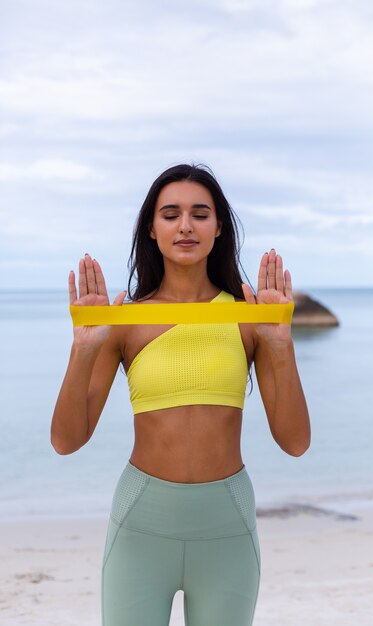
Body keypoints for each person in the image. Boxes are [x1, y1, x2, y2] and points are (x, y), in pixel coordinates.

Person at [51, 163, 311, 626]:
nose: (186, 225)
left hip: (226, 524)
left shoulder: (250, 317)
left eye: (200, 213)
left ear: (219, 229)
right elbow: (66, 441)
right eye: (170, 214)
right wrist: (82, 350)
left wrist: (281, 345)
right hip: (141, 524)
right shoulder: (124, 321)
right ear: (151, 229)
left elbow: (295, 442)